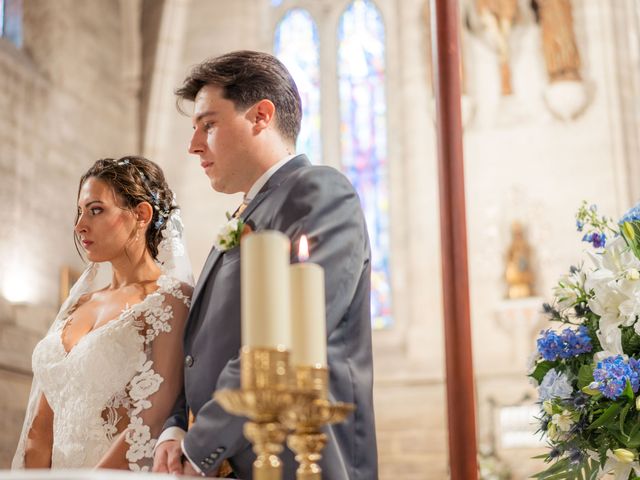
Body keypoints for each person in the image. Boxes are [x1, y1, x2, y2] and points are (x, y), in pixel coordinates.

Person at [153, 50, 378, 479]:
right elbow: (200, 352)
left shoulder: (319, 193)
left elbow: (289, 333)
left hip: (299, 460)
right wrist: (176, 425)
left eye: (209, 124)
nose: (194, 144)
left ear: (260, 116)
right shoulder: (250, 211)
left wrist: (201, 447)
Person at [12, 156, 194, 471]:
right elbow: (40, 430)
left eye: (96, 210)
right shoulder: (77, 304)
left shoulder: (170, 301)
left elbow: (150, 420)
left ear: (141, 214)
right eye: (80, 211)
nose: (80, 224)